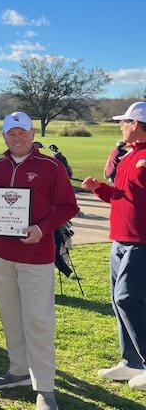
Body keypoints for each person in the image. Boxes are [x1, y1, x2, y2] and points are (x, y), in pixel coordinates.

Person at [0, 112, 78, 410]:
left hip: (36, 256)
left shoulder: (50, 166)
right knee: (11, 317)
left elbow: (68, 206)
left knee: (38, 320)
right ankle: (19, 370)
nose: (17, 137)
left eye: (23, 132)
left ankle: (45, 388)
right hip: (1, 254)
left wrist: (41, 229)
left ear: (32, 134)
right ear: (4, 135)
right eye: (12, 133)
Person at [82, 101, 146, 391]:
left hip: (140, 243)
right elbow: (120, 198)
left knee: (127, 299)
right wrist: (99, 189)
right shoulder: (128, 156)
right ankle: (131, 361)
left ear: (135, 124)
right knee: (116, 301)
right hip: (119, 240)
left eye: (124, 122)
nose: (120, 126)